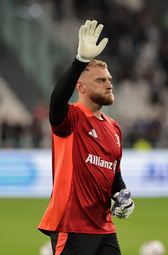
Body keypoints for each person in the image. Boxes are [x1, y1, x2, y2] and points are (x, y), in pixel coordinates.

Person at [38, 20, 135, 255]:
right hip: (71, 225)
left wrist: (123, 197)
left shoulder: (114, 128)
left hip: (104, 226)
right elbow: (56, 101)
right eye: (101, 81)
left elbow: (114, 175)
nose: (109, 84)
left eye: (109, 79)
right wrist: (80, 60)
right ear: (80, 87)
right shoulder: (70, 118)